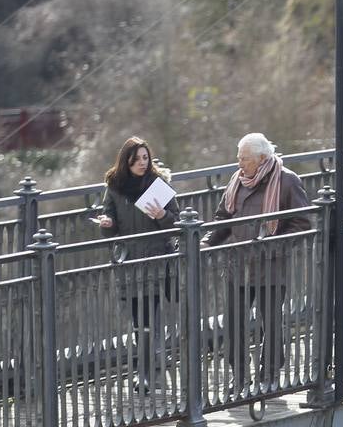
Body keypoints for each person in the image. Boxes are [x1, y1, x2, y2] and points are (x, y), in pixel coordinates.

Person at [202, 133, 311, 395]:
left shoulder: (287, 181)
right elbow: (223, 217)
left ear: (262, 158)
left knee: (270, 322)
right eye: (238, 157)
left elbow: (303, 223)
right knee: (234, 323)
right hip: (238, 263)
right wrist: (206, 242)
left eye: (245, 159)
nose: (239, 163)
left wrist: (273, 246)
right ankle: (239, 378)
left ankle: (270, 374)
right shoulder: (236, 180)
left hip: (270, 265)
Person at [94, 136, 180, 392]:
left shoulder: (157, 184)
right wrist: (107, 224)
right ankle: (149, 368)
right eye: (137, 159)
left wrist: (162, 215)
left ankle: (148, 373)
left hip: (155, 259)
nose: (143, 163)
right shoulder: (115, 187)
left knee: (148, 319)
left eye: (146, 158)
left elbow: (177, 222)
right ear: (127, 161)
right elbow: (110, 219)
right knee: (137, 321)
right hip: (129, 261)